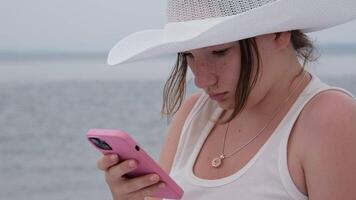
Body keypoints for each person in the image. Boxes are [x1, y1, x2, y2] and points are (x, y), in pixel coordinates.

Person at [97, 0, 356, 199]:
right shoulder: (193, 115)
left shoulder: (328, 118)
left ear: (279, 32)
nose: (201, 79)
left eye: (220, 52)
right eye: (189, 56)